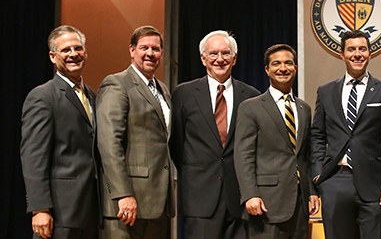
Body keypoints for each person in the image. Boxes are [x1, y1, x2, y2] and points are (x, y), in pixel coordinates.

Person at [310, 30, 381, 239]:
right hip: (335, 181)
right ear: (341, 55)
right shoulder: (325, 92)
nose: (357, 54)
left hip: (375, 183)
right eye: (351, 49)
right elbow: (317, 135)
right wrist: (318, 174)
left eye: (363, 49)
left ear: (370, 54)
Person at [170, 31, 260, 239]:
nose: (220, 59)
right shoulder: (183, 94)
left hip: (239, 199)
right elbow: (176, 144)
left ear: (234, 58)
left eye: (226, 53)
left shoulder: (252, 96)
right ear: (203, 58)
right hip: (199, 199)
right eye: (213, 54)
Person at [21, 25, 100, 239]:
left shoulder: (92, 95)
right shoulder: (42, 96)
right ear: (52, 56)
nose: (73, 54)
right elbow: (33, 156)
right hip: (59, 211)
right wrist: (40, 209)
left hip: (90, 209)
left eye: (78, 48)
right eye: (65, 50)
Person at [233, 44, 319, 239]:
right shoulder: (251, 107)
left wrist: (312, 191)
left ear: (295, 68)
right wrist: (249, 194)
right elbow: (243, 155)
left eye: (288, 63)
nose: (283, 68)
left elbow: (304, 156)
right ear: (267, 70)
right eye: (276, 64)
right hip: (266, 203)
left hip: (300, 203)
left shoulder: (304, 108)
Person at [96, 26, 174, 238]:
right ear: (131, 50)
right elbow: (109, 143)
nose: (150, 53)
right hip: (127, 205)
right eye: (144, 48)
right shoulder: (117, 84)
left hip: (157, 204)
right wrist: (123, 194)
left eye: (156, 49)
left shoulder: (162, 90)